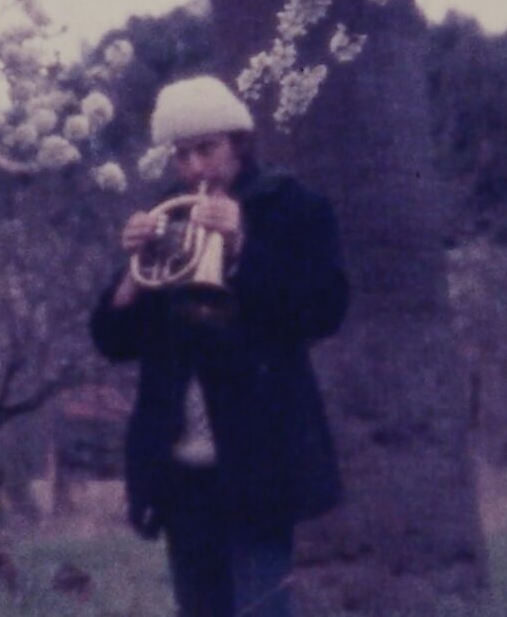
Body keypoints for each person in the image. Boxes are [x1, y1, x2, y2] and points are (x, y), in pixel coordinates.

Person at [90, 75, 348, 617]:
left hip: (259, 459)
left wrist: (244, 246)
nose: (194, 169)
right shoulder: (169, 214)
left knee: (261, 607)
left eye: (206, 149)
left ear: (239, 142)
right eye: (181, 155)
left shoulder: (293, 205)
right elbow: (112, 341)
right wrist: (132, 277)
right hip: (180, 466)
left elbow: (325, 310)